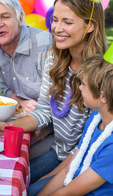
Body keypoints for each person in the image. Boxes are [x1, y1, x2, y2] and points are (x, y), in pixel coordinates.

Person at [0, 0, 108, 196]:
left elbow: (90, 144)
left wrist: (51, 180)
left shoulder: (101, 73)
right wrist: (8, 127)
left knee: (16, 186)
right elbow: (45, 112)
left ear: (90, 26)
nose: (56, 29)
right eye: (55, 20)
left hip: (83, 163)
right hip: (61, 151)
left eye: (67, 22)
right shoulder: (54, 57)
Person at [39, 52, 113, 195]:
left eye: (84, 84)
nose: (79, 88)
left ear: (102, 96)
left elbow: (69, 192)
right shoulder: (95, 119)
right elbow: (70, 167)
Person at [0, 0, 52, 114]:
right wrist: (20, 101)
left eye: (5, 17)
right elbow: (5, 87)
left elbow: (59, 100)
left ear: (20, 19)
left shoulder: (45, 46)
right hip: (20, 114)